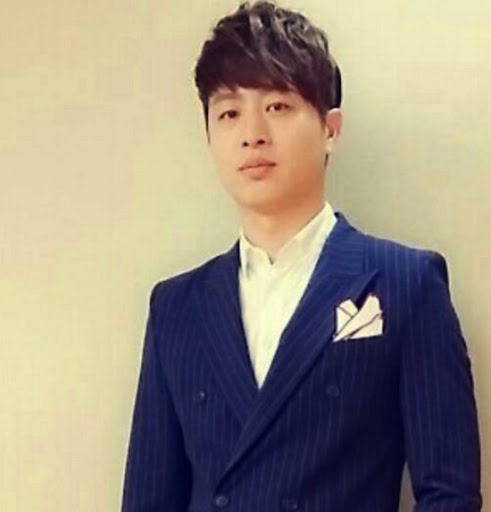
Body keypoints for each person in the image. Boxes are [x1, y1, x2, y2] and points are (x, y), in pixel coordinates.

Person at [121, 1, 482, 510]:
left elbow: (449, 494)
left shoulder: (407, 284)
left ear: (330, 130)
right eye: (229, 113)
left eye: (277, 107)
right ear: (209, 136)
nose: (252, 134)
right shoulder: (176, 307)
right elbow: (148, 501)